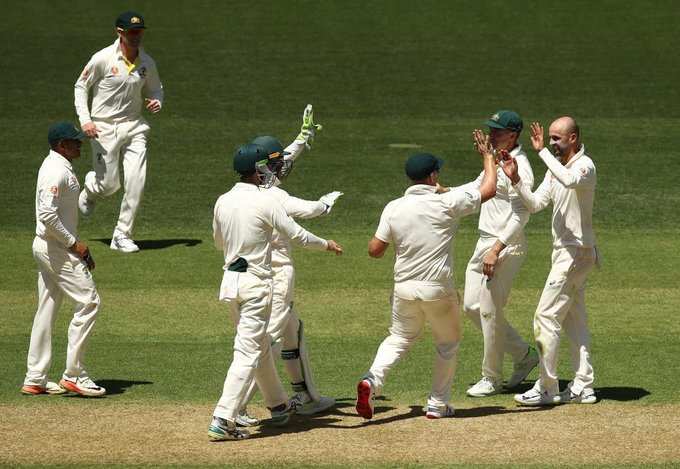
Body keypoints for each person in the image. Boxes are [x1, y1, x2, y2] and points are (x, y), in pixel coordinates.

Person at [356, 130, 497, 420]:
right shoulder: (446, 204)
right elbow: (489, 188)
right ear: (433, 177)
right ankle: (437, 404)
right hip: (438, 291)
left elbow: (374, 250)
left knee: (398, 337)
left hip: (404, 291)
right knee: (447, 344)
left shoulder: (394, 207)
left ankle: (372, 381)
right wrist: (488, 157)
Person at [208, 143, 343, 441]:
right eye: (266, 167)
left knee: (259, 347)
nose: (270, 172)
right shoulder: (265, 201)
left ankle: (278, 405)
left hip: (231, 284)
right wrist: (326, 244)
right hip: (257, 285)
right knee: (248, 352)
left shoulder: (222, 201)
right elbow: (297, 234)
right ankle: (223, 417)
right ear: (257, 170)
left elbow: (218, 242)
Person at [235, 106, 342, 426]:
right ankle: (236, 407)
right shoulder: (273, 197)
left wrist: (304, 137)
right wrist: (325, 204)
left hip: (263, 275)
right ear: (264, 167)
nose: (283, 166)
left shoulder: (257, 183)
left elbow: (285, 157)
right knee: (264, 342)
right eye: (276, 162)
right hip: (274, 277)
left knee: (292, 332)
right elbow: (306, 211)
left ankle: (306, 396)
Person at [501, 117, 598, 406]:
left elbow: (569, 180)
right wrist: (516, 179)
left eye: (557, 139)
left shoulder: (585, 166)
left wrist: (542, 151)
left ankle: (547, 387)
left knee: (545, 317)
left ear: (574, 137)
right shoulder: (554, 170)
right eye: (551, 138)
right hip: (568, 254)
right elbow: (535, 204)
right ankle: (584, 386)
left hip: (575, 253)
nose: (553, 143)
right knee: (573, 321)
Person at [22, 122, 106, 398]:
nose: (79, 145)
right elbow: (46, 215)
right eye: (74, 142)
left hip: (52, 246)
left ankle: (35, 378)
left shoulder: (59, 166)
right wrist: (75, 244)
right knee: (89, 301)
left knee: (47, 307)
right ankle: (75, 375)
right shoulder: (55, 171)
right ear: (61, 145)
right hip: (55, 248)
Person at [462, 110, 539, 397]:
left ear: (513, 134)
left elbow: (522, 215)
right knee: (471, 306)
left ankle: (491, 378)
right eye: (491, 130)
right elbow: (478, 187)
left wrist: (496, 249)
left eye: (498, 131)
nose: (492, 135)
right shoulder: (495, 159)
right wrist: (442, 193)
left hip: (506, 245)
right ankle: (524, 355)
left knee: (489, 311)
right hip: (484, 243)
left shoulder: (520, 167)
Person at [74, 11, 163, 253]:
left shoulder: (147, 62)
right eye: (132, 32)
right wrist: (86, 121)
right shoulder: (103, 58)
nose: (136, 36)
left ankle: (122, 235)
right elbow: (81, 86)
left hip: (135, 126)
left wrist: (157, 101)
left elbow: (156, 89)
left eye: (140, 32)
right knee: (109, 186)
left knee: (137, 182)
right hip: (103, 127)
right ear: (120, 32)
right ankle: (91, 188)